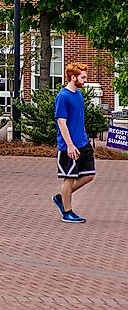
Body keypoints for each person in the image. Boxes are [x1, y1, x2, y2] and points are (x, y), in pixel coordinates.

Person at [54, 61, 96, 222]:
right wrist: (69, 145)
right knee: (69, 178)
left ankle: (61, 197)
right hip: (69, 146)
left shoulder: (78, 94)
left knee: (89, 175)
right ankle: (67, 211)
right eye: (83, 77)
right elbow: (61, 122)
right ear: (73, 77)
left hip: (83, 143)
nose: (85, 80)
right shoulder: (63, 96)